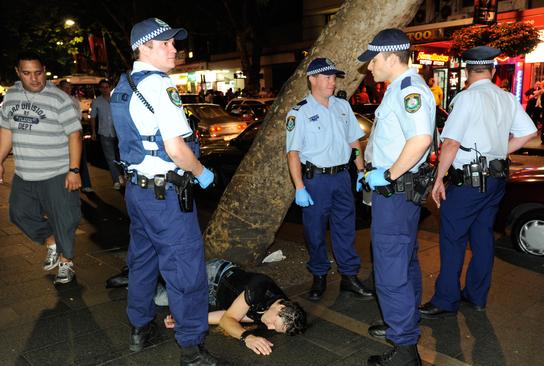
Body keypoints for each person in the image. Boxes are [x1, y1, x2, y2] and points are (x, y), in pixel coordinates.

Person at [109, 18, 227, 366]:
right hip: (165, 197)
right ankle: (191, 348)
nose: (174, 49)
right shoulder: (160, 86)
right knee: (185, 270)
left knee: (143, 261)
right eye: (165, 43)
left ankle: (139, 326)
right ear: (145, 47)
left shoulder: (123, 85)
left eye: (174, 43)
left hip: (138, 192)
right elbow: (175, 148)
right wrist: (202, 172)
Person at [419, 46, 536, 322]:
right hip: (495, 181)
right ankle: (476, 296)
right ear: (493, 71)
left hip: (468, 183)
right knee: (482, 237)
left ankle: (446, 300)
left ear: (467, 71)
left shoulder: (467, 98)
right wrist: (500, 151)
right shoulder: (506, 97)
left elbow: (450, 142)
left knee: (453, 239)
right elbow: (529, 132)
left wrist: (439, 178)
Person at [357, 28, 435, 366]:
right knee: (404, 260)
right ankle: (403, 324)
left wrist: (386, 175)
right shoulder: (398, 90)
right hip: (397, 191)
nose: (368, 68)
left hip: (395, 191)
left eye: (373, 61)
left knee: (390, 269)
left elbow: (420, 141)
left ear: (391, 57)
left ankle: (404, 349)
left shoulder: (409, 89)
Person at [286, 57, 374, 302]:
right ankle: (319, 276)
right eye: (327, 77)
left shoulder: (342, 107)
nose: (332, 82)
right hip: (316, 182)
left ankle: (348, 276)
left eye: (334, 78)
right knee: (314, 232)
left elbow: (353, 142)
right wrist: (299, 187)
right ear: (312, 79)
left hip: (342, 177)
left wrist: (361, 171)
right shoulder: (300, 112)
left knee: (345, 229)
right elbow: (292, 153)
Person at [0, 52, 82, 285]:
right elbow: (6, 130)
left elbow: (75, 135)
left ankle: (66, 262)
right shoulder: (12, 95)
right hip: (25, 173)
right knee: (18, 213)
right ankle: (51, 241)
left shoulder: (59, 98)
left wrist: (74, 170)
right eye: (27, 73)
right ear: (18, 73)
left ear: (44, 69)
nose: (34, 78)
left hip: (56, 172)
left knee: (64, 219)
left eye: (38, 72)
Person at [157, 259, 307, 356]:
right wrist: (247, 337)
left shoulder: (274, 312)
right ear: (280, 307)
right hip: (213, 276)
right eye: (274, 324)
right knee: (161, 297)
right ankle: (145, 271)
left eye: (275, 329)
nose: (269, 327)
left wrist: (186, 320)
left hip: (214, 296)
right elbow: (229, 319)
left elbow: (229, 315)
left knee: (169, 296)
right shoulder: (259, 287)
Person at [59, 80, 94, 193]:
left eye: (69, 87)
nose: (68, 89)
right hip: (62, 134)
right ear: (61, 88)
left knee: (80, 158)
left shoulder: (74, 100)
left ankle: (86, 184)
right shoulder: (57, 100)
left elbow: (78, 116)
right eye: (66, 87)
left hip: (75, 132)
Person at [90, 79, 123, 190]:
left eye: (106, 87)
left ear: (110, 87)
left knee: (121, 157)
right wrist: (93, 132)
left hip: (119, 133)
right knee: (110, 158)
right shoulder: (96, 102)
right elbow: (93, 117)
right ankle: (116, 180)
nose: (105, 89)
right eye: (102, 87)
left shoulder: (117, 99)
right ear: (99, 89)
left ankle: (123, 176)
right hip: (104, 133)